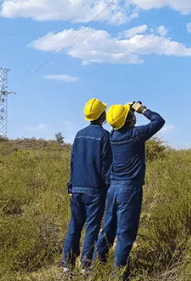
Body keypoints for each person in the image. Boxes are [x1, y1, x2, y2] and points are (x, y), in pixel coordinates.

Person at [95, 101, 165, 278]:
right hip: (129, 190)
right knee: (125, 233)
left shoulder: (113, 136)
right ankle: (118, 274)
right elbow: (159, 121)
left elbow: (115, 125)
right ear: (129, 119)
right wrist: (141, 110)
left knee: (108, 228)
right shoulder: (136, 134)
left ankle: (99, 263)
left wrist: (124, 112)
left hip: (113, 189)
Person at [62, 98, 112, 276]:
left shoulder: (78, 134)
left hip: (76, 189)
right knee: (92, 227)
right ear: (101, 115)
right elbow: (106, 167)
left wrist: (71, 186)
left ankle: (67, 267)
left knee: (74, 226)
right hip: (95, 190)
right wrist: (109, 188)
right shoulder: (104, 135)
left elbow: (73, 162)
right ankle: (86, 266)